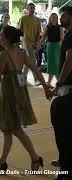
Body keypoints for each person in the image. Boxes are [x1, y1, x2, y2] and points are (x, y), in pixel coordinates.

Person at [0, 26, 53, 172]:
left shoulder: (4, 55)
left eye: (2, 36)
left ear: (8, 39)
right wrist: (46, 87)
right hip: (20, 93)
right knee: (9, 129)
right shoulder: (22, 53)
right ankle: (4, 162)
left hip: (10, 94)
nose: (0, 38)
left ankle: (33, 158)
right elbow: (35, 69)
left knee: (14, 129)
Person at [51, 6, 72, 179]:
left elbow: (70, 60)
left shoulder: (71, 36)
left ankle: (66, 167)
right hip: (68, 85)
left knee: (64, 128)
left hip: (68, 86)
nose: (61, 18)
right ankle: (64, 160)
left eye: (63, 15)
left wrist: (59, 83)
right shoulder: (67, 35)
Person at [18, 3, 42, 86]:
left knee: (27, 61)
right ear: (28, 9)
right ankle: (36, 80)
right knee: (32, 60)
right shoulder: (23, 18)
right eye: (31, 8)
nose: (32, 9)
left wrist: (37, 43)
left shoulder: (37, 19)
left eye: (33, 8)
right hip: (26, 42)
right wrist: (18, 43)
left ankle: (22, 80)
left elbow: (38, 33)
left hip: (33, 42)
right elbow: (19, 31)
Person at [39, 13, 64, 88]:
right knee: (52, 64)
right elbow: (43, 38)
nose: (54, 19)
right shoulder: (47, 27)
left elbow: (62, 38)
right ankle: (56, 83)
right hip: (50, 46)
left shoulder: (60, 27)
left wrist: (61, 47)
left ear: (57, 19)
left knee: (56, 64)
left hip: (57, 46)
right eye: (53, 17)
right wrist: (38, 47)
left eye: (55, 18)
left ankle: (54, 82)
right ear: (50, 18)